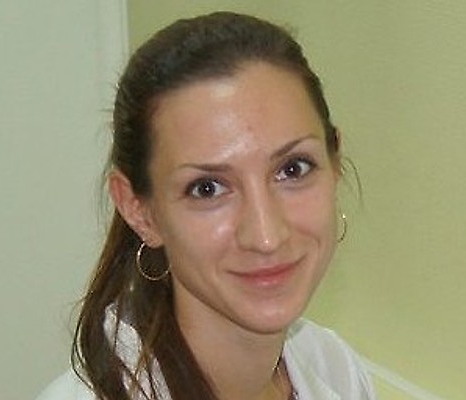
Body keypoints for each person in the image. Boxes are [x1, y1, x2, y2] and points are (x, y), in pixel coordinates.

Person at [37, 11, 376, 400]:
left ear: (334, 165)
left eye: (292, 169)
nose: (266, 236)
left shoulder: (336, 369)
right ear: (139, 211)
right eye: (207, 189)